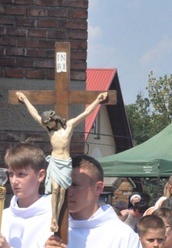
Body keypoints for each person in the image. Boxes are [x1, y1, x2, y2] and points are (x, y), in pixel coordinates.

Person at [16, 90, 107, 232]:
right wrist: (25, 100)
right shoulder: (50, 131)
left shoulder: (68, 127)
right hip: (54, 162)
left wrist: (97, 101)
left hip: (64, 163)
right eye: (46, 124)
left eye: (50, 122)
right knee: (55, 190)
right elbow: (35, 114)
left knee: (62, 192)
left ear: (55, 119)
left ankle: (58, 216)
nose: (49, 125)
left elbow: (85, 114)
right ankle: (54, 218)